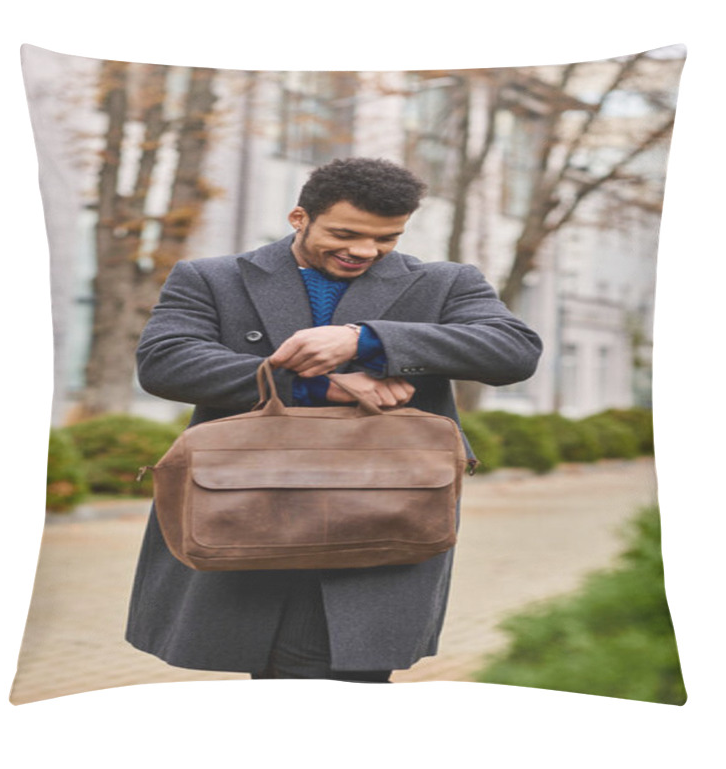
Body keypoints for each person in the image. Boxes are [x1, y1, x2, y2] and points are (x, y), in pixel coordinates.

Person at [126, 157, 542, 683]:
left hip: (384, 515)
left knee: (345, 669)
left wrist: (364, 339)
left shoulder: (446, 284)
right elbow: (166, 362)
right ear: (299, 217)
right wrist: (317, 384)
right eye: (345, 234)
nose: (364, 251)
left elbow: (514, 352)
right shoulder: (212, 278)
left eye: (386, 238)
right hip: (248, 506)